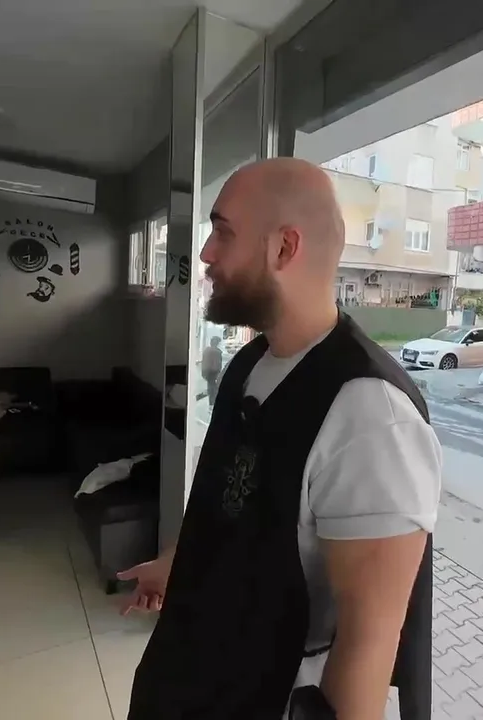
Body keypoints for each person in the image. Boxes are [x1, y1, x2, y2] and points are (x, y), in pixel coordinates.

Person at [119, 158, 442, 720]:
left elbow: (366, 649)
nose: (206, 254)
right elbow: (232, 501)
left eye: (223, 232)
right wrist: (179, 564)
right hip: (187, 679)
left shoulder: (371, 416)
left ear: (284, 248)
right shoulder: (250, 364)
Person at [201, 335, 224, 407]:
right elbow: (218, 364)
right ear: (217, 343)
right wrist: (219, 373)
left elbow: (203, 361)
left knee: (211, 386)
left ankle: (211, 402)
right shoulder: (217, 352)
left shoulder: (206, 350)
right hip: (213, 372)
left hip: (207, 371)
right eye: (219, 343)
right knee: (213, 388)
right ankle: (212, 403)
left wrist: (203, 372)